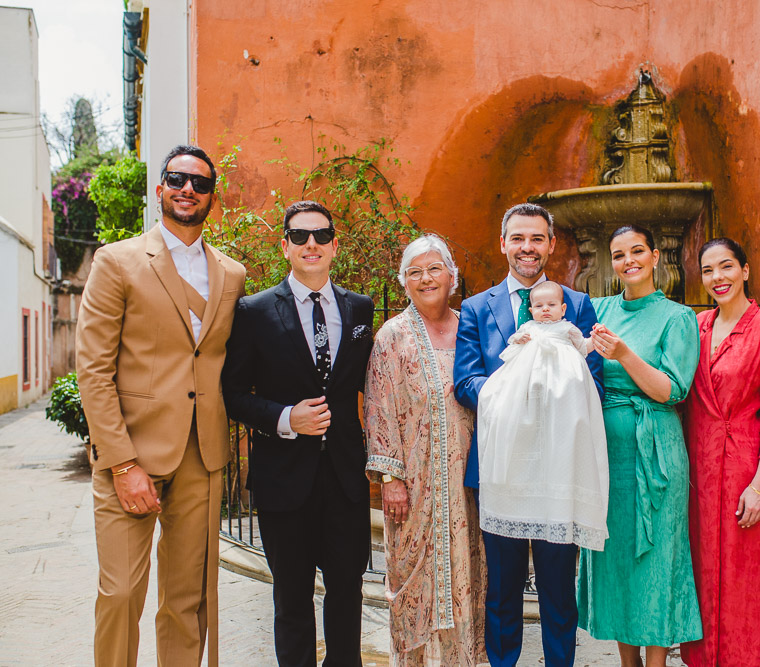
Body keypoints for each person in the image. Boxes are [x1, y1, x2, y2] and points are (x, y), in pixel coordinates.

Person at [76, 145, 246, 667]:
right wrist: (122, 462)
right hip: (131, 453)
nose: (187, 189)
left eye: (199, 183)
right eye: (177, 178)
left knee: (186, 601)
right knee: (122, 593)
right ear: (160, 189)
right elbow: (93, 370)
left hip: (202, 454)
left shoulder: (232, 274)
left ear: (212, 197)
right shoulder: (118, 261)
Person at [222, 200, 374, 666]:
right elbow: (231, 394)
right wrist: (287, 418)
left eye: (322, 236)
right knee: (291, 600)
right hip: (282, 481)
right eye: (301, 236)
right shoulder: (254, 310)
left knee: (347, 596)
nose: (312, 244)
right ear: (285, 245)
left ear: (334, 245)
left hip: (346, 481)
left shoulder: (361, 309)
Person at [454, 203, 603, 667]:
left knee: (559, 589)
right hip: (502, 469)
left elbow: (592, 379)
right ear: (503, 243)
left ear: (551, 245)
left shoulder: (576, 305)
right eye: (518, 238)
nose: (527, 247)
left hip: (559, 468)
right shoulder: (477, 307)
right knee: (501, 589)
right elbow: (466, 381)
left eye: (537, 239)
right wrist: (511, 395)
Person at [576, 224, 701, 667]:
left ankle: (656, 663)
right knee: (615, 563)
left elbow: (672, 391)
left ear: (654, 257)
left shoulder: (678, 317)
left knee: (656, 561)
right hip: (606, 456)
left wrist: (625, 354)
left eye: (636, 252)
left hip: (657, 451)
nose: (628, 261)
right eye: (618, 254)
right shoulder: (596, 309)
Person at [363, 234, 487, 666]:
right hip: (415, 487)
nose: (426, 278)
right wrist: (391, 479)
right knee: (413, 579)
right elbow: (379, 408)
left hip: (471, 482)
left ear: (452, 276)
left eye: (434, 268)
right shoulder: (392, 336)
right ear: (404, 283)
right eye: (414, 271)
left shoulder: (472, 327)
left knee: (469, 573)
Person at [680, 238, 760, 666]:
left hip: (744, 466)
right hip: (697, 467)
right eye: (708, 271)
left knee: (745, 573)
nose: (717, 278)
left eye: (726, 267)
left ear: (745, 270)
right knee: (701, 567)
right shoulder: (695, 326)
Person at [477, 280, 608, 551]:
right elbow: (511, 350)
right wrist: (519, 339)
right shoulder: (528, 328)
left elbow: (583, 348)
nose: (545, 310)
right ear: (531, 309)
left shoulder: (567, 328)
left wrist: (595, 340)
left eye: (550, 306)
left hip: (562, 395)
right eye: (538, 306)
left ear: (562, 309)